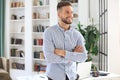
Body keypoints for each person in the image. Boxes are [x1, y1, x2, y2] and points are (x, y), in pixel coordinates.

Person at [43, 1, 87, 80]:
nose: (71, 15)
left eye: (72, 12)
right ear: (59, 14)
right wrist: (73, 55)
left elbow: (83, 57)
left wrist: (62, 53)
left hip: (72, 77)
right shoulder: (49, 32)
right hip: (54, 77)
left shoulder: (77, 34)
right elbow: (50, 57)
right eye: (67, 12)